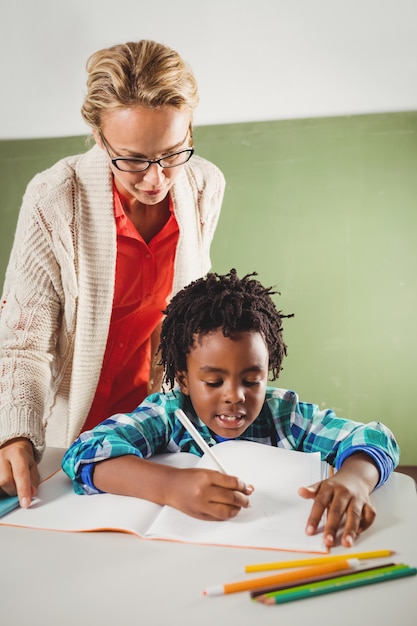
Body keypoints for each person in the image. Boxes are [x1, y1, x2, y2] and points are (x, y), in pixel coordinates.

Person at [0, 40, 225, 508]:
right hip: (73, 434)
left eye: (172, 153)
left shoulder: (204, 185)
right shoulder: (54, 198)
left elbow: (190, 313)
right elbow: (25, 341)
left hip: (156, 428)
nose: (155, 178)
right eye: (133, 160)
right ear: (101, 139)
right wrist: (14, 433)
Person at [62, 269, 399, 549]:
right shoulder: (168, 414)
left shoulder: (283, 415)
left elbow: (373, 436)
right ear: (183, 378)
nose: (235, 396)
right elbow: (86, 451)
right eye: (213, 382)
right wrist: (170, 485)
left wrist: (356, 478)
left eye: (252, 380)